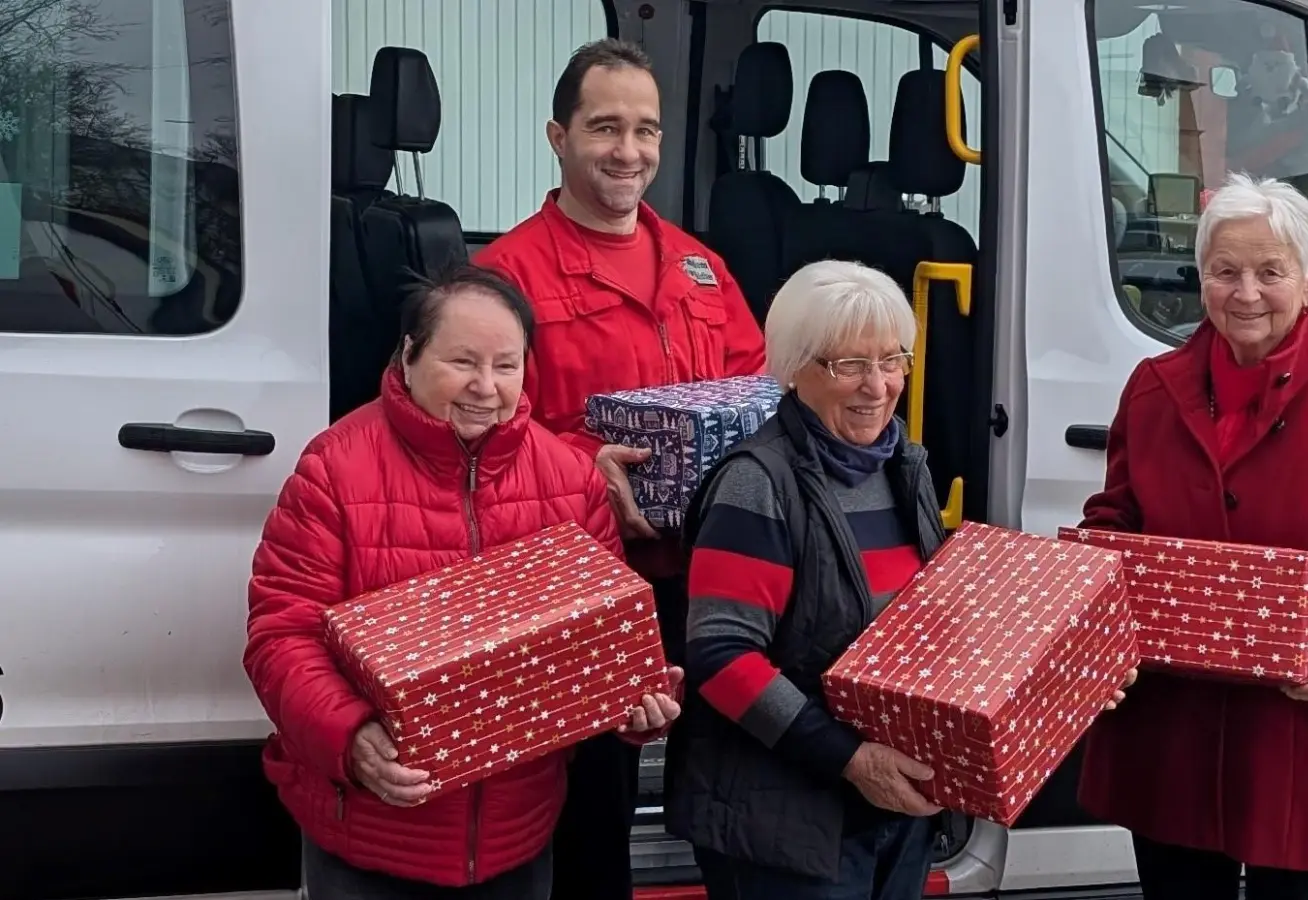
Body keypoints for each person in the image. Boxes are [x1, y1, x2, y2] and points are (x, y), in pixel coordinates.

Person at [665, 260, 1134, 899]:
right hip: (787, 821)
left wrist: (1068, 680)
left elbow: (929, 638)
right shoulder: (759, 483)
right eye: (849, 365)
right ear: (795, 368)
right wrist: (850, 760)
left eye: (893, 361)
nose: (878, 386)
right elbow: (721, 659)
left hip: (890, 811)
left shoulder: (902, 465)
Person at [242, 264, 682, 900]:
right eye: (462, 363)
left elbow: (592, 638)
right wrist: (351, 737)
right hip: (371, 832)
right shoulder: (334, 470)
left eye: (507, 366)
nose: (485, 387)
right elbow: (281, 635)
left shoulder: (569, 478)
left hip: (518, 837)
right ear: (410, 355)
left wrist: (632, 703)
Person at [1074, 172, 1308, 900]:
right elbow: (1113, 521)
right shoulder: (1151, 389)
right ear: (1201, 279)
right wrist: (1088, 581)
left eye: (1268, 272)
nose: (1244, 293)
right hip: (1172, 731)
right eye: (1224, 271)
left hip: (1302, 729)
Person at [472, 37, 765, 900]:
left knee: (726, 787)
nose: (628, 151)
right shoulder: (504, 277)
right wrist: (580, 464)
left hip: (706, 577)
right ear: (557, 136)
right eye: (605, 127)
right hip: (578, 585)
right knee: (588, 810)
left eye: (646, 130)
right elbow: (471, 429)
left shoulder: (702, 268)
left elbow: (753, 391)